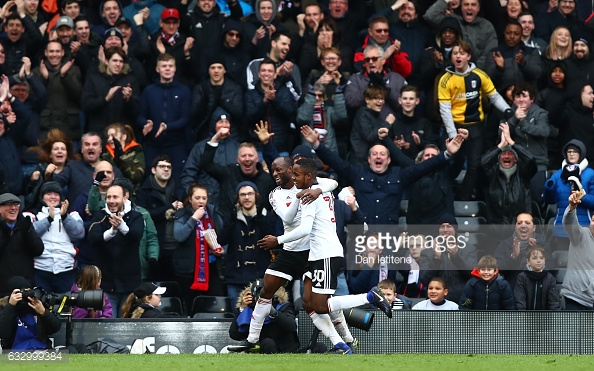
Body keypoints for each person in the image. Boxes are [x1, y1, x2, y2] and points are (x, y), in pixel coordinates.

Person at [252, 158, 394, 354]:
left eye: (297, 174)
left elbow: (305, 228)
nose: (293, 177)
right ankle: (344, 344)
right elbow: (331, 184)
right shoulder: (320, 190)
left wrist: (278, 240)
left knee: (321, 305)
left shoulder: (311, 196)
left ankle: (370, 297)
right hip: (318, 253)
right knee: (312, 302)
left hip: (325, 252)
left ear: (309, 176)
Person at [230, 156, 345, 353]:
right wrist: (300, 196)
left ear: (291, 170)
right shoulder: (275, 195)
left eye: (278, 170)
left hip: (312, 252)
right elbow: (288, 217)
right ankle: (252, 338)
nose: (275, 174)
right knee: (266, 288)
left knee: (313, 302)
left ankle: (342, 340)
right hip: (291, 251)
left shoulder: (311, 184)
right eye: (273, 170)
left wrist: (317, 190)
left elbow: (334, 182)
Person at [438, 40, 512, 200]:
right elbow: (445, 109)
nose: (458, 56)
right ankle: (442, 192)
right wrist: (452, 135)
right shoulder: (445, 79)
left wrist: (507, 109)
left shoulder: (479, 75)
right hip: (455, 128)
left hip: (476, 128)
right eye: (455, 53)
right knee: (454, 163)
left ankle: (462, 200)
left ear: (468, 56)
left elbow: (493, 96)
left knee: (474, 165)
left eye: (462, 53)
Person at [87, 184, 145, 317]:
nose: (111, 201)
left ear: (125, 198)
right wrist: (111, 232)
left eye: (115, 197)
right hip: (106, 284)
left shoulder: (136, 216)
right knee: (108, 322)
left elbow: (136, 235)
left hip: (130, 284)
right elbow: (93, 238)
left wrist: (122, 227)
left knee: (126, 325)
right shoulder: (100, 216)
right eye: (108, 197)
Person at [199, 127, 276, 221]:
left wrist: (267, 144)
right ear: (237, 159)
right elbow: (206, 165)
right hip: (230, 228)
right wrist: (216, 139)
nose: (247, 159)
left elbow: (279, 169)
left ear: (257, 158)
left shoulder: (267, 180)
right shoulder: (228, 172)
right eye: (243, 156)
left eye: (251, 155)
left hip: (261, 230)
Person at [138, 53, 191, 183]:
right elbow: (140, 116)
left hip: (176, 144)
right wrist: (146, 124)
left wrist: (167, 127)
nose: (167, 69)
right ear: (157, 69)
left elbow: (186, 119)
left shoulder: (183, 91)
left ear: (175, 69)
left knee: (178, 180)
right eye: (164, 66)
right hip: (153, 144)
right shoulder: (149, 91)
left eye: (170, 66)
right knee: (150, 180)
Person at [220, 181, 276, 302]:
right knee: (238, 316)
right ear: (238, 198)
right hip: (235, 277)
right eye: (243, 194)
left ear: (256, 196)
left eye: (250, 194)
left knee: (260, 318)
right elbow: (222, 240)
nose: (246, 197)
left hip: (260, 277)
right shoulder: (231, 217)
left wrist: (260, 218)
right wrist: (232, 221)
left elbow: (272, 238)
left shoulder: (267, 216)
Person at [173, 183, 225, 309]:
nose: (201, 201)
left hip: (212, 267)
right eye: (197, 198)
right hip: (189, 270)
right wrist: (194, 218)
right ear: (190, 199)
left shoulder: (213, 214)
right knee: (193, 307)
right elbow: (179, 236)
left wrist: (222, 250)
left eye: (204, 198)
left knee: (217, 304)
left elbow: (224, 237)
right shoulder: (183, 214)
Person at [27, 181, 84, 294]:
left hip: (66, 269)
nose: (53, 197)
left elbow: (79, 233)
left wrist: (64, 217)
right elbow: (29, 234)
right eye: (49, 193)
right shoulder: (32, 215)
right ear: (42, 197)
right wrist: (49, 219)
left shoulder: (72, 214)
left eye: (56, 194)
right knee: (41, 307)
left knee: (66, 308)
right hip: (40, 269)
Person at [135, 155, 184, 281]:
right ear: (153, 170)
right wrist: (169, 207)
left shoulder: (179, 190)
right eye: (162, 166)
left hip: (177, 246)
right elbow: (144, 216)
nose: (166, 169)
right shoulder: (143, 192)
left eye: (169, 167)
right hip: (156, 246)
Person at [480, 123, 537, 225]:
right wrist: (501, 145)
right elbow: (483, 162)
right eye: (503, 154)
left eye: (510, 154)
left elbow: (530, 160)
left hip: (520, 226)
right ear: (499, 158)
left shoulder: (523, 174)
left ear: (515, 159)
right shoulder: (492, 174)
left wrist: (511, 142)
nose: (506, 156)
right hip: (496, 227)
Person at [544, 139, 594, 251]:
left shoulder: (590, 174)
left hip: (584, 228)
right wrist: (549, 188)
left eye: (575, 151)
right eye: (569, 151)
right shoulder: (558, 174)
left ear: (581, 154)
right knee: (563, 263)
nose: (571, 154)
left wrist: (581, 196)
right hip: (562, 230)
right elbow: (550, 200)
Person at [81, 46, 140, 134]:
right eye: (114, 61)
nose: (118, 64)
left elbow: (137, 111)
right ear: (107, 61)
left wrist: (128, 100)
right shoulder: (94, 79)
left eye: (121, 61)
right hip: (99, 133)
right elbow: (86, 105)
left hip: (122, 134)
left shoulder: (131, 81)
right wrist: (105, 99)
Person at [419, 215, 478, 303]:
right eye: (442, 226)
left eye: (449, 226)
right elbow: (424, 279)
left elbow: (473, 275)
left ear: (455, 229)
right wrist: (436, 259)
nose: (445, 230)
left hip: (462, 302)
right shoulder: (427, 252)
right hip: (436, 304)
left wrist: (456, 258)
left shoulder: (469, 249)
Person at [424, 0, 497, 69]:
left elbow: (489, 54)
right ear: (461, 7)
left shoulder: (487, 26)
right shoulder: (453, 20)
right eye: (466, 4)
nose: (469, 8)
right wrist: (447, 0)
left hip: (476, 72)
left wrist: (468, 68)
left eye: (473, 5)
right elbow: (430, 16)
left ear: (478, 8)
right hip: (450, 70)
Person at [33, 40, 82, 142]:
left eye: (57, 51)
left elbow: (79, 96)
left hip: (69, 129)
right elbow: (34, 100)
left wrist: (64, 76)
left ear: (62, 53)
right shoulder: (37, 72)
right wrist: (44, 79)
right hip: (45, 129)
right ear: (46, 53)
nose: (54, 55)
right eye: (51, 51)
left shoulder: (73, 70)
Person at [229, 282, 299, 354]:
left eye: (264, 293)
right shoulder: (250, 309)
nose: (261, 296)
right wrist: (242, 309)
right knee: (267, 343)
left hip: (285, 347)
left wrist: (273, 311)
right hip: (264, 347)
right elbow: (235, 335)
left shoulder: (282, 305)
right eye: (258, 293)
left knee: (268, 342)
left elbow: (291, 326)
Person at [344, 44, 407, 120]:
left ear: (383, 60)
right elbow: (351, 103)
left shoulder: (396, 78)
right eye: (367, 59)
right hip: (365, 127)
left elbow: (405, 104)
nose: (370, 62)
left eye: (374, 59)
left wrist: (386, 89)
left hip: (391, 127)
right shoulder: (356, 79)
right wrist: (370, 86)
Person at [0, 193, 45, 297]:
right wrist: (5, 233)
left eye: (16, 205)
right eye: (8, 205)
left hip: (25, 285)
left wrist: (27, 233)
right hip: (2, 287)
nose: (13, 208)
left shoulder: (24, 225)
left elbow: (39, 250)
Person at [0, 276, 61, 350]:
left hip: (42, 350)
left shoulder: (36, 306)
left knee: (74, 350)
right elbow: (3, 333)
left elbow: (55, 328)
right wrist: (11, 306)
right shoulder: (5, 309)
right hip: (16, 353)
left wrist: (44, 313)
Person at [493, 212, 548, 288]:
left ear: (534, 228)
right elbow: (496, 270)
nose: (523, 225)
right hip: (511, 290)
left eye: (527, 223)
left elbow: (549, 270)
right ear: (515, 227)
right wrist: (513, 257)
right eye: (519, 223)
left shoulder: (542, 244)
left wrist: (535, 253)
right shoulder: (505, 244)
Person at [484, 21, 542, 91]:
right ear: (504, 33)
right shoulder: (494, 53)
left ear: (521, 35)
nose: (512, 36)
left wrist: (523, 64)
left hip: (527, 96)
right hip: (501, 96)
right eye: (508, 33)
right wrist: (499, 68)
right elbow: (488, 79)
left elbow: (537, 74)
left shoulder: (531, 51)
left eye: (516, 34)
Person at [25, 129, 75, 211]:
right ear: (50, 154)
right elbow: (32, 195)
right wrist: (43, 177)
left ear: (67, 154)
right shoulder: (40, 169)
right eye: (56, 149)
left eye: (63, 149)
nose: (59, 151)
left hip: (68, 212)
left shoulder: (73, 170)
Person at [561, 190, 594, 310]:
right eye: (593, 220)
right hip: (575, 299)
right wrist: (572, 208)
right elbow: (570, 223)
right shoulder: (581, 235)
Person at [390, 85, 437, 161]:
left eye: (411, 99)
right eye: (405, 98)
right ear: (399, 100)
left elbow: (433, 147)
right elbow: (382, 144)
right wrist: (394, 145)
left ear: (417, 101)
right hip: (396, 166)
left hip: (419, 166)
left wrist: (420, 142)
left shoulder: (424, 123)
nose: (408, 102)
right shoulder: (392, 120)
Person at [349, 85, 395, 165]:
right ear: (367, 100)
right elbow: (369, 136)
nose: (380, 101)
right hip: (360, 163)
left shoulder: (378, 117)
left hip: (372, 162)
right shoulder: (362, 115)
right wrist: (387, 123)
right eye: (376, 98)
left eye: (382, 99)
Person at [514, 246, 561, 310]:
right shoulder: (522, 277)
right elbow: (519, 301)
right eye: (534, 258)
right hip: (526, 318)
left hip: (544, 318)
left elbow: (554, 303)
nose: (538, 261)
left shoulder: (550, 278)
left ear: (544, 260)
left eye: (541, 258)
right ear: (528, 261)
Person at [103, 123, 145, 190]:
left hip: (131, 193)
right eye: (108, 136)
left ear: (124, 137)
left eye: (113, 136)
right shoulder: (105, 155)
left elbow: (136, 176)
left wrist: (121, 159)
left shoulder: (136, 151)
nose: (110, 139)